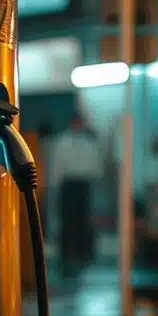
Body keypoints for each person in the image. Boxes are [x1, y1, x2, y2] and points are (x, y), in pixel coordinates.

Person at [49, 114, 104, 276]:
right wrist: (54, 185)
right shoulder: (62, 142)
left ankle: (81, 254)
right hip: (68, 184)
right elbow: (56, 165)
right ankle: (66, 254)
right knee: (67, 220)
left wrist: (95, 178)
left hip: (83, 184)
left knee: (82, 220)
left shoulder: (89, 143)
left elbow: (95, 165)